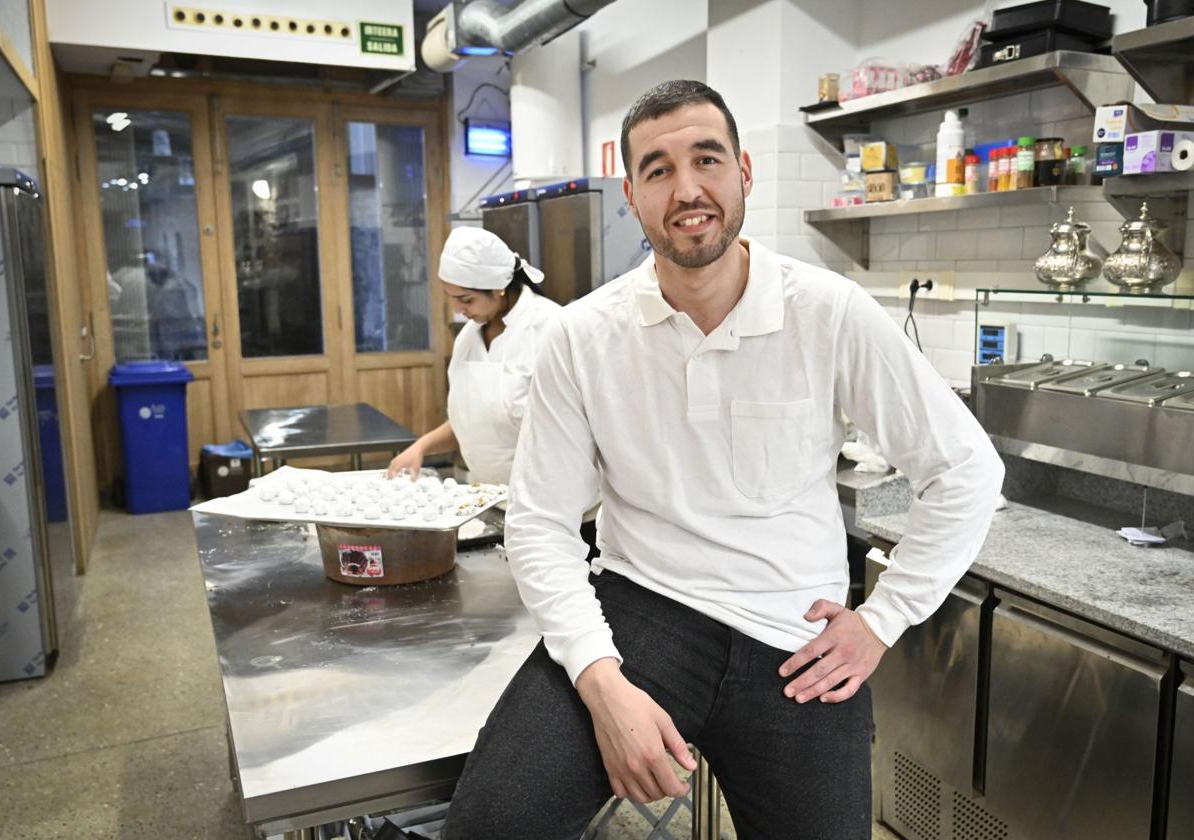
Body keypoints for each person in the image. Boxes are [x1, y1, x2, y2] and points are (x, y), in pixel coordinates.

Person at [443, 80, 1004, 839]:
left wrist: (882, 621)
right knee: (491, 823)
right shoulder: (584, 337)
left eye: (706, 158)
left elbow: (967, 470)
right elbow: (541, 523)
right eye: (658, 170)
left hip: (793, 633)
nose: (687, 189)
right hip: (641, 609)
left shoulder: (827, 311)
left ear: (744, 171)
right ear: (633, 199)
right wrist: (602, 684)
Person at [386, 227, 557, 484]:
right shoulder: (469, 336)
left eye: (466, 299)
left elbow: (572, 431)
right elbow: (472, 423)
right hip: (493, 496)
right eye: (451, 298)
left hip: (551, 499)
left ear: (498, 288)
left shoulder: (550, 328)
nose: (457, 310)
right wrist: (420, 447)